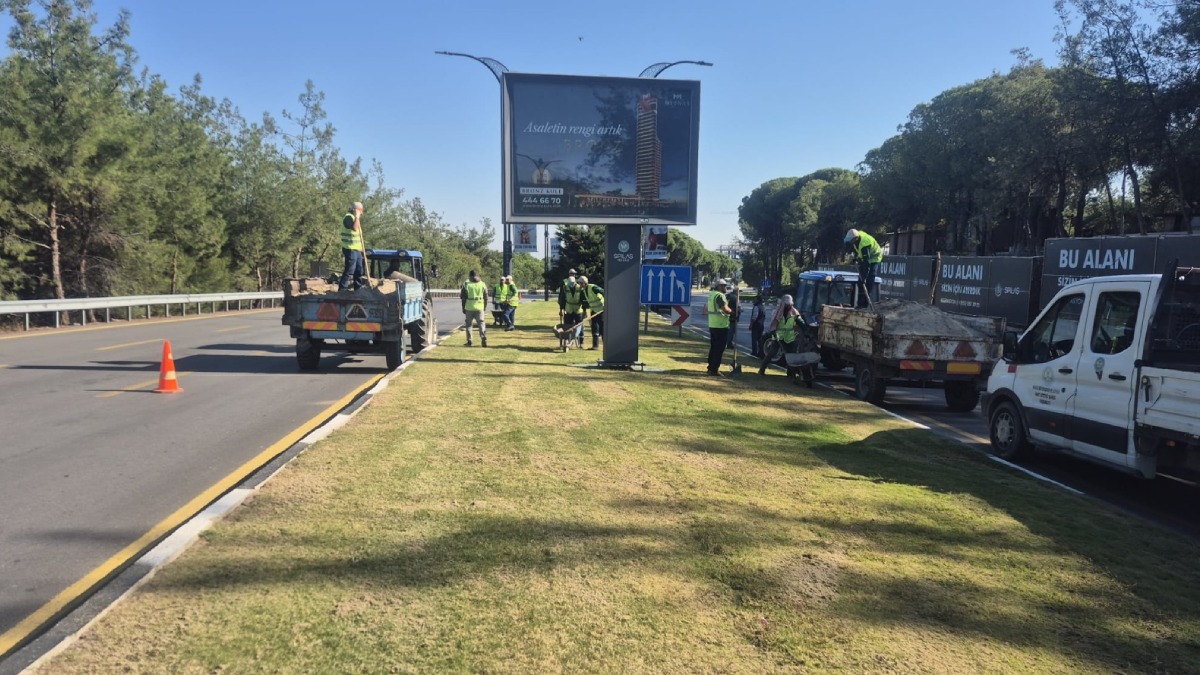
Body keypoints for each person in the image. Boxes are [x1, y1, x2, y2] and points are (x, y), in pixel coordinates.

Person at [759, 294, 801, 379]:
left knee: (790, 354)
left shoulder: (794, 312)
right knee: (772, 352)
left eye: (789, 304)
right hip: (778, 335)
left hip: (789, 336)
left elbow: (798, 323)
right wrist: (775, 333)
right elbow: (774, 324)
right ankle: (762, 370)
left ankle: (790, 373)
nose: (788, 306)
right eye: (786, 304)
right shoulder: (778, 312)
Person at [845, 227, 883, 307]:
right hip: (865, 258)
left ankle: (865, 305)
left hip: (874, 258)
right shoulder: (855, 237)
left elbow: (867, 263)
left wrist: (864, 278)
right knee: (860, 282)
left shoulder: (865, 244)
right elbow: (857, 250)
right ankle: (859, 304)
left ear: (855, 239)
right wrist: (856, 257)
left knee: (868, 280)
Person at [706, 279, 733, 376]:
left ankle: (710, 367)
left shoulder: (711, 295)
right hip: (720, 326)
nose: (726, 287)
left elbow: (706, 309)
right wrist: (732, 312)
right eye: (724, 286)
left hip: (713, 325)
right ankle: (714, 369)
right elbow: (725, 309)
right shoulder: (719, 296)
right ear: (719, 286)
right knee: (719, 349)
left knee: (713, 347)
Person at [338, 201, 366, 291]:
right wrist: (357, 216)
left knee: (359, 271)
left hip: (357, 249)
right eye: (360, 211)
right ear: (356, 210)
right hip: (350, 249)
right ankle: (342, 289)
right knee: (350, 270)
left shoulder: (355, 219)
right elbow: (354, 228)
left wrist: (362, 249)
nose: (362, 213)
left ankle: (358, 289)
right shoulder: (348, 218)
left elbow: (357, 236)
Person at [460, 270, 488, 347]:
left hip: (469, 307)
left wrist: (463, 308)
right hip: (480, 307)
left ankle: (470, 341)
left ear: (470, 275)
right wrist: (484, 307)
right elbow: (486, 297)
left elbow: (463, 297)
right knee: (481, 323)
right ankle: (483, 337)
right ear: (478, 275)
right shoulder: (482, 284)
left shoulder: (466, 284)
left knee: (469, 325)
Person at [578, 274, 605, 350]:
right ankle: (595, 346)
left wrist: (606, 304)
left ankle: (607, 346)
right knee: (594, 328)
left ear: (584, 283)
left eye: (580, 283)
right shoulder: (584, 291)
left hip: (602, 310)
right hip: (594, 311)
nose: (579, 285)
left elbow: (604, 291)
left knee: (603, 329)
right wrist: (584, 311)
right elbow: (585, 302)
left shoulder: (593, 287)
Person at [558, 274, 585, 346]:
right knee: (567, 326)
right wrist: (561, 310)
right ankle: (568, 340)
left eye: (573, 283)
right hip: (568, 309)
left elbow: (583, 300)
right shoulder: (565, 288)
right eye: (570, 283)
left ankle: (581, 342)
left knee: (579, 326)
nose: (571, 285)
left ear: (575, 282)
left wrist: (585, 310)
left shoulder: (580, 288)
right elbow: (562, 300)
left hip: (578, 310)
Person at [726, 281, 741, 348]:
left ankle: (726, 342)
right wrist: (737, 316)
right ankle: (729, 343)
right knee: (731, 331)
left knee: (727, 331)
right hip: (733, 317)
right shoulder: (736, 298)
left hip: (726, 316)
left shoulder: (728, 296)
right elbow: (738, 308)